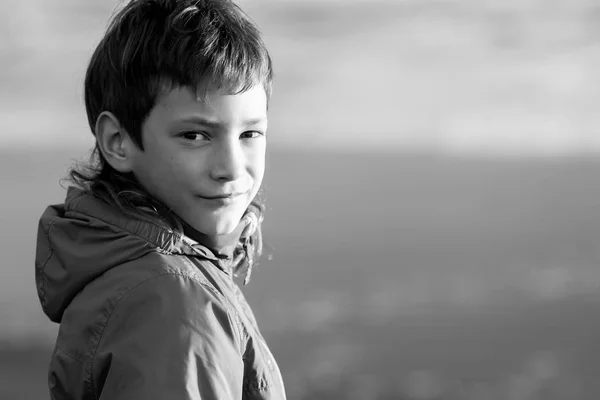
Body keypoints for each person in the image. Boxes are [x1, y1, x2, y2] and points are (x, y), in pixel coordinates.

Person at [34, 0, 286, 398]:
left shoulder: (138, 272)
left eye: (249, 134)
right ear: (118, 142)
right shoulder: (173, 306)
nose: (232, 168)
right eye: (195, 135)